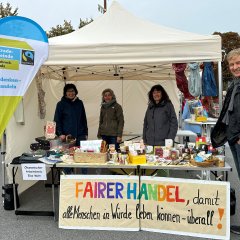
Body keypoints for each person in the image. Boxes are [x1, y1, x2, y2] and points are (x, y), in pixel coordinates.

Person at [211, 48, 240, 235]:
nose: (235, 67)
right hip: (233, 137)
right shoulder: (235, 84)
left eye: (238, 63)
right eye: (232, 64)